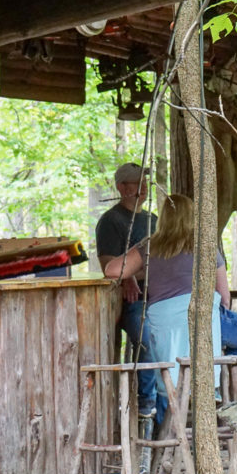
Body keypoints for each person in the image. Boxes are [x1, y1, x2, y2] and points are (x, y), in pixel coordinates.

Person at [104, 194, 231, 428]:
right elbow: (224, 297)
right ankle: (227, 395)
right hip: (204, 328)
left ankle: (165, 424)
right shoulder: (205, 244)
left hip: (165, 332)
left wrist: (133, 272)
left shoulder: (150, 246)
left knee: (162, 356)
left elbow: (112, 270)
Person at [95, 163, 158, 423]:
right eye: (135, 183)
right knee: (147, 337)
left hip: (158, 296)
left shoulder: (154, 220)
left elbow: (162, 260)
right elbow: (110, 266)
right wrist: (130, 275)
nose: (143, 188)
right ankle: (147, 404)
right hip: (130, 302)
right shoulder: (111, 221)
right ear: (121, 187)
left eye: (145, 182)